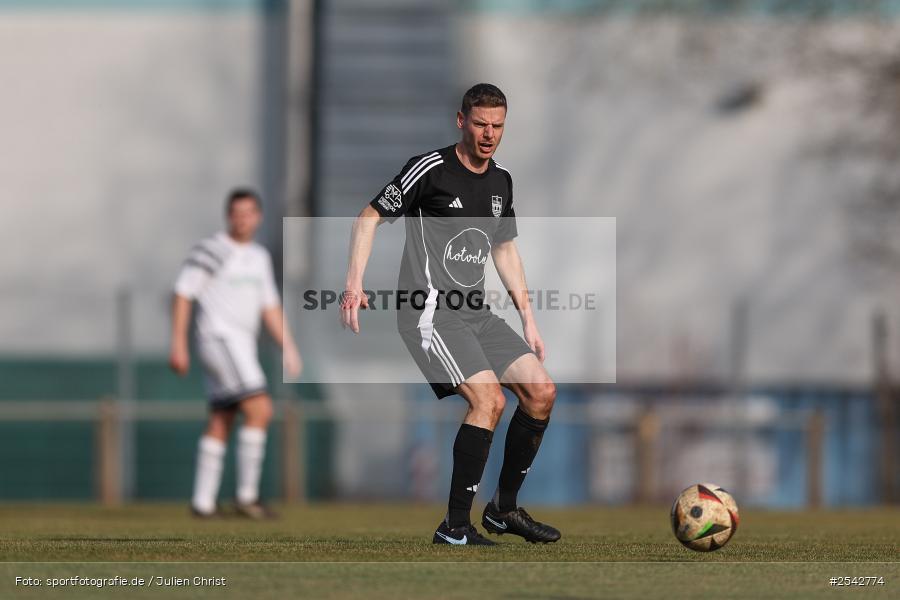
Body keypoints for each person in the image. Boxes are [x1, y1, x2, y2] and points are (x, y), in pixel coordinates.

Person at [341, 84, 560, 545]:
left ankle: (503, 509)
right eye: (480, 124)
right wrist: (353, 284)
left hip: (475, 313)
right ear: (461, 121)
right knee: (489, 401)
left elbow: (504, 249)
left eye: (497, 126)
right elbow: (368, 217)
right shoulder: (431, 170)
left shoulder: (501, 180)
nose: (489, 134)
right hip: (430, 312)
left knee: (541, 391)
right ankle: (455, 527)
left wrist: (528, 318)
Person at [169, 188, 302, 519]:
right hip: (219, 339)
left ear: (258, 217)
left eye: (248, 213)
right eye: (236, 213)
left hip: (242, 343)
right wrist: (178, 343)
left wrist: (289, 347)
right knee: (260, 409)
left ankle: (202, 503)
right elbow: (184, 294)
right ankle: (246, 497)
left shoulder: (258, 257)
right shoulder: (211, 250)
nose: (242, 219)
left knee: (222, 417)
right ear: (228, 216)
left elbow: (269, 306)